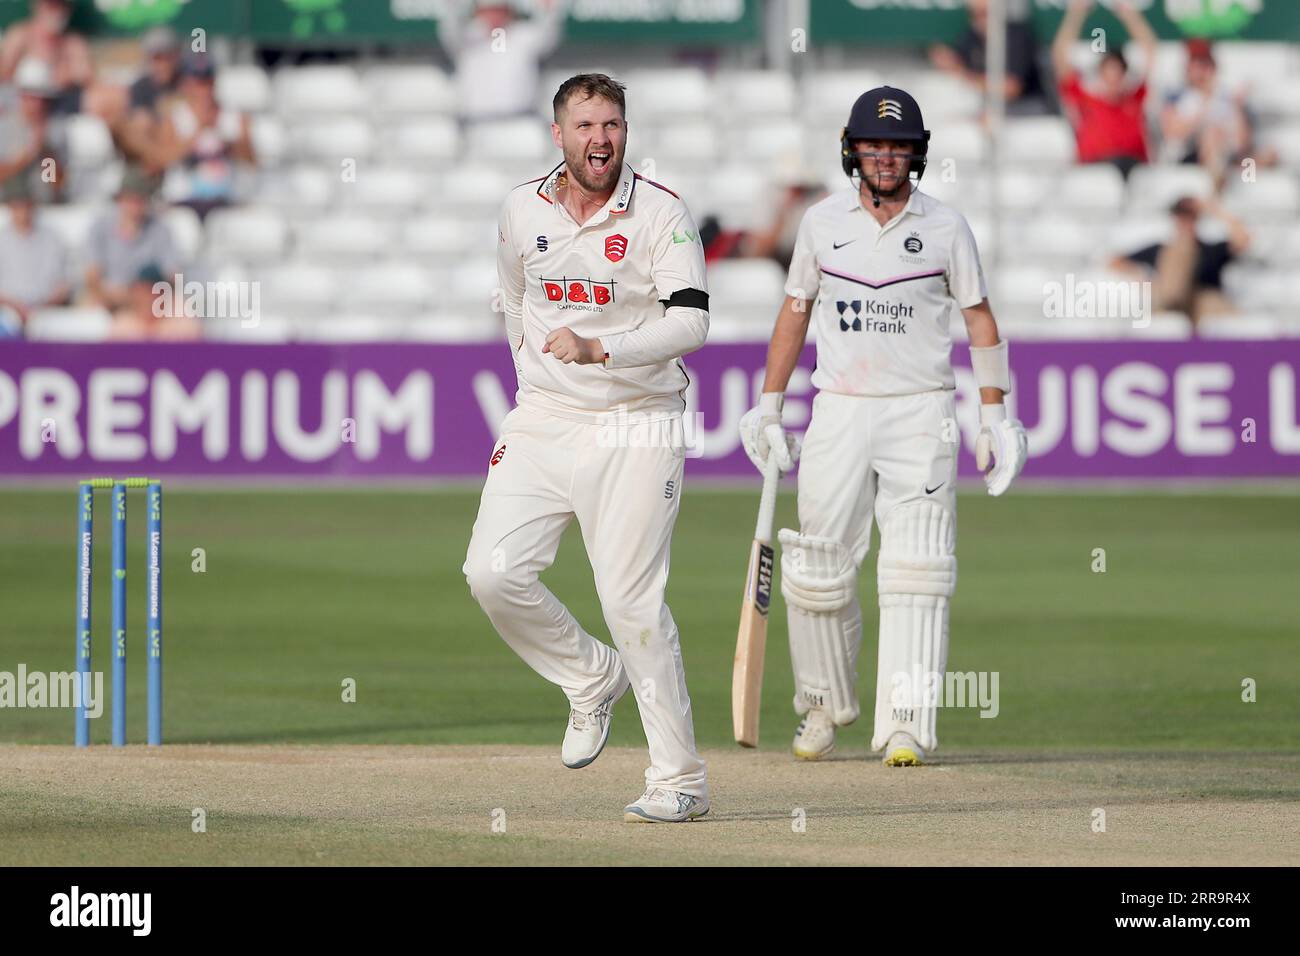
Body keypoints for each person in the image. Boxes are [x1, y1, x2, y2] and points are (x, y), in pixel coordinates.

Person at [740, 86, 1027, 767]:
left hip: (921, 410)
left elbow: (979, 316)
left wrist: (995, 415)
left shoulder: (948, 227)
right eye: (875, 145)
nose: (887, 157)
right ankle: (820, 706)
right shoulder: (820, 222)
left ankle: (906, 724)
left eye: (899, 147)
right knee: (816, 567)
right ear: (853, 149)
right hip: (839, 407)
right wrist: (769, 404)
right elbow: (794, 311)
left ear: (916, 154)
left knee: (918, 573)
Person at [463, 74, 711, 823]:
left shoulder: (661, 212)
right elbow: (511, 296)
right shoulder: (520, 209)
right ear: (558, 134)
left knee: (631, 600)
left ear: (626, 130)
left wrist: (603, 349)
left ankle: (680, 781)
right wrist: (531, 374)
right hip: (544, 417)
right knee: (491, 574)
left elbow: (692, 322)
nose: (600, 139)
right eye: (585, 125)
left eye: (612, 124)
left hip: (639, 416)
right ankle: (590, 676)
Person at [1109, 195, 1250, 327]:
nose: (1185, 221)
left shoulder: (1211, 249)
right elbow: (1115, 261)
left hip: (1202, 304)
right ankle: (1170, 300)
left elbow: (1242, 240)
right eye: (1181, 216)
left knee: (1215, 308)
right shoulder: (1161, 249)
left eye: (1190, 216)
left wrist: (1214, 210)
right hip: (1169, 301)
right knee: (1178, 250)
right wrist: (1141, 276)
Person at [1051, 0, 1156, 178]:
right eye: (1108, 72)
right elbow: (1060, 56)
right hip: (1095, 169)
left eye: (1117, 72)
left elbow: (1150, 50)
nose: (1112, 79)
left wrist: (1127, 13)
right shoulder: (1085, 98)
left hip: (1133, 167)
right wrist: (1076, 13)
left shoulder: (1134, 97)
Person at [1159, 39, 1271, 186]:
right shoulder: (1179, 97)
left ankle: (1228, 178)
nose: (1202, 73)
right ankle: (1218, 182)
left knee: (1266, 155)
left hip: (1228, 153)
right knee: (1212, 136)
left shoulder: (1228, 98)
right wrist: (1204, 105)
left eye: (1206, 66)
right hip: (1191, 156)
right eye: (1196, 67)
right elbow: (1173, 134)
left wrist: (1236, 106)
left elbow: (1242, 142)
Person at [437, 0, 565, 124]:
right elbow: (450, 28)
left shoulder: (524, 35)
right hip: (474, 122)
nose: (494, 16)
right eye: (489, 11)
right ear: (479, 12)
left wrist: (548, 9)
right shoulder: (466, 37)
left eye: (499, 11)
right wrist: (451, 6)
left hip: (519, 121)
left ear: (509, 12)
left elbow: (548, 33)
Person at [84, 167, 183, 312]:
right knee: (91, 305)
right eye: (130, 199)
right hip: (109, 300)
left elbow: (173, 276)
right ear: (120, 200)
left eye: (140, 200)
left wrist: (146, 296)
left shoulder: (160, 230)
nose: (135, 205)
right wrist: (114, 296)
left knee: (180, 309)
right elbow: (92, 277)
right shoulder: (100, 228)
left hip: (149, 301)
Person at [929, 0, 1048, 115]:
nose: (980, 19)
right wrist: (948, 61)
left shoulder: (1016, 35)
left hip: (1029, 110)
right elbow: (954, 60)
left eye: (985, 13)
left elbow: (1011, 88)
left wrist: (962, 73)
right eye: (975, 14)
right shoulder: (971, 38)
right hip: (990, 108)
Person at [0, 176, 71, 335]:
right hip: (6, 313)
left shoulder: (53, 238)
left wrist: (42, 307)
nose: (22, 210)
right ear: (9, 207)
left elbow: (65, 283)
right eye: (17, 205)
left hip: (47, 311)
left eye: (26, 204)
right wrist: (17, 307)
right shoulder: (2, 240)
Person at [0, 0, 92, 115]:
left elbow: (87, 79)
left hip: (59, 112)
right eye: (50, 6)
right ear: (37, 6)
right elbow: (4, 72)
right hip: (20, 111)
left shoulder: (73, 43)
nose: (56, 12)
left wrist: (70, 77)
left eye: (60, 7)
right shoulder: (19, 36)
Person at [0, 57, 67, 201]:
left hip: (43, 207)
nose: (38, 105)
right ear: (21, 96)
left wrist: (46, 153)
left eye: (43, 99)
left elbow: (57, 185)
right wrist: (29, 154)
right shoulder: (4, 127)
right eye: (32, 97)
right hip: (8, 209)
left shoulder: (57, 129)